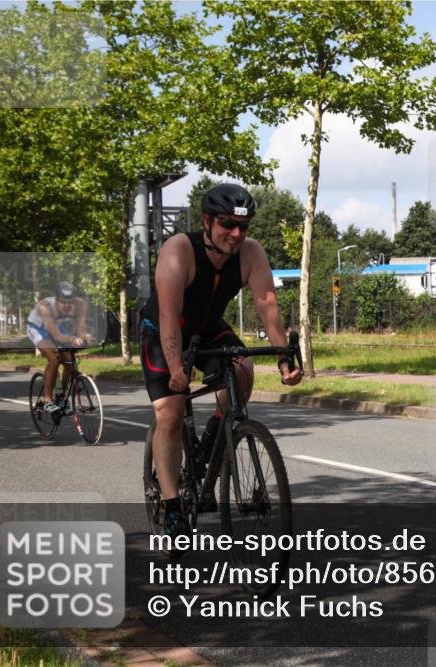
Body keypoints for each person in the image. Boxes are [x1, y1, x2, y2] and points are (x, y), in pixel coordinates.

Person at [139, 183, 302, 549]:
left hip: (208, 328)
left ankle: (214, 436)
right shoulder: (179, 250)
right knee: (170, 413)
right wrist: (176, 365)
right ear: (207, 221)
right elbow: (168, 316)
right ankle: (173, 509)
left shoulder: (251, 253)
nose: (236, 234)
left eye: (243, 226)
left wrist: (283, 358)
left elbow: (268, 306)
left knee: (242, 370)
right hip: (164, 330)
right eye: (227, 224)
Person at [27, 281, 95, 414]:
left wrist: (86, 336)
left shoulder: (80, 304)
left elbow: (81, 329)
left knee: (69, 361)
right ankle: (47, 401)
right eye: (63, 302)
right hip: (38, 328)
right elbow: (56, 336)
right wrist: (72, 339)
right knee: (54, 358)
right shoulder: (45, 306)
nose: (67, 305)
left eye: (70, 302)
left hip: (56, 325)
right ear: (56, 299)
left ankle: (61, 397)